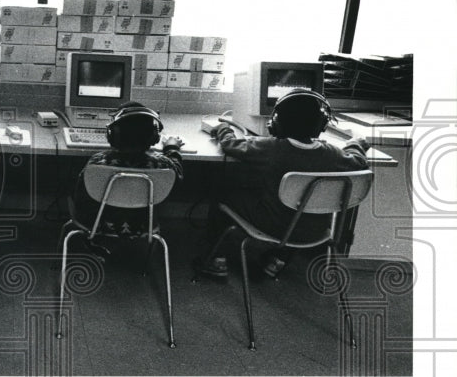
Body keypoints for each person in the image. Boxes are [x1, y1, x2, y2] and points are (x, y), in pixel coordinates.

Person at [201, 88, 370, 278]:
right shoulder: (333, 154)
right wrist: (356, 143)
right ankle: (276, 261)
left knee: (222, 192)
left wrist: (223, 129)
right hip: (315, 231)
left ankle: (217, 261)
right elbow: (358, 162)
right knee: (299, 209)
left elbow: (230, 146)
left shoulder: (271, 148)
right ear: (322, 125)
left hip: (272, 225)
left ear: (276, 124)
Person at [71, 101, 184, 253]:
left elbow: (80, 195)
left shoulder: (97, 161)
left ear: (112, 135)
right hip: (145, 223)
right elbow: (178, 175)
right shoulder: (163, 164)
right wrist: (172, 148)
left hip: (96, 224)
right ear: (154, 137)